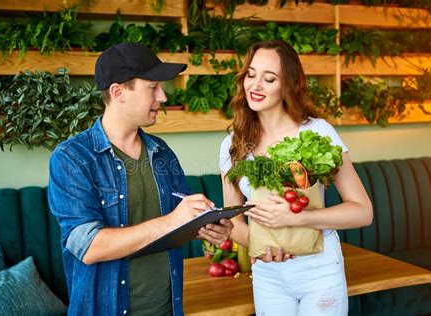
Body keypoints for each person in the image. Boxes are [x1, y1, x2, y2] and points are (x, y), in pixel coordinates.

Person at [48, 42, 233, 315]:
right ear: (118, 92)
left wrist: (206, 228)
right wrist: (173, 220)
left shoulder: (160, 151)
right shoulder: (71, 158)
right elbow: (89, 247)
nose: (164, 97)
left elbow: (180, 221)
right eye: (152, 88)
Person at [219, 40, 373, 315]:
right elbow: (233, 219)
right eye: (251, 75)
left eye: (269, 79)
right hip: (267, 273)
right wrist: (261, 246)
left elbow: (362, 212)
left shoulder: (318, 132)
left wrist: (299, 219)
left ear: (287, 84)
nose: (255, 86)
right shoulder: (233, 143)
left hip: (318, 269)